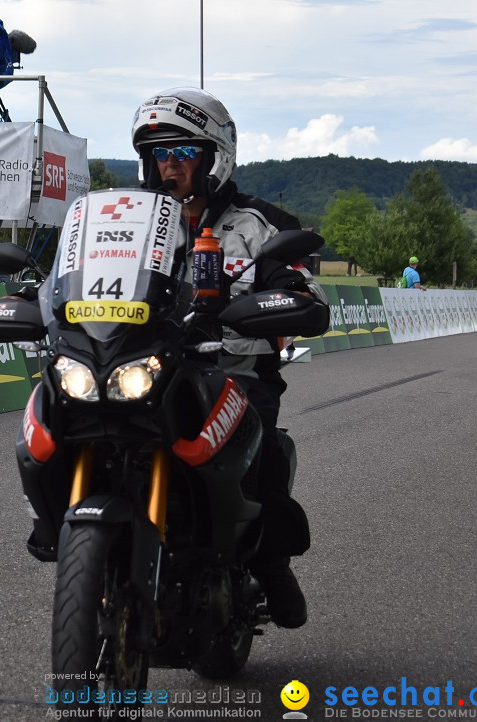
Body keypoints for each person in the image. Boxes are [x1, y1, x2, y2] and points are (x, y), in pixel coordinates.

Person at [129, 87, 330, 629]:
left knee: (254, 449)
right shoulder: (132, 223)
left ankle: (269, 561)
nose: (169, 166)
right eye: (159, 155)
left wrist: (288, 299)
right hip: (149, 371)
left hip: (233, 375)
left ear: (214, 157)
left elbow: (303, 287)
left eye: (183, 153)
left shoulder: (258, 223)